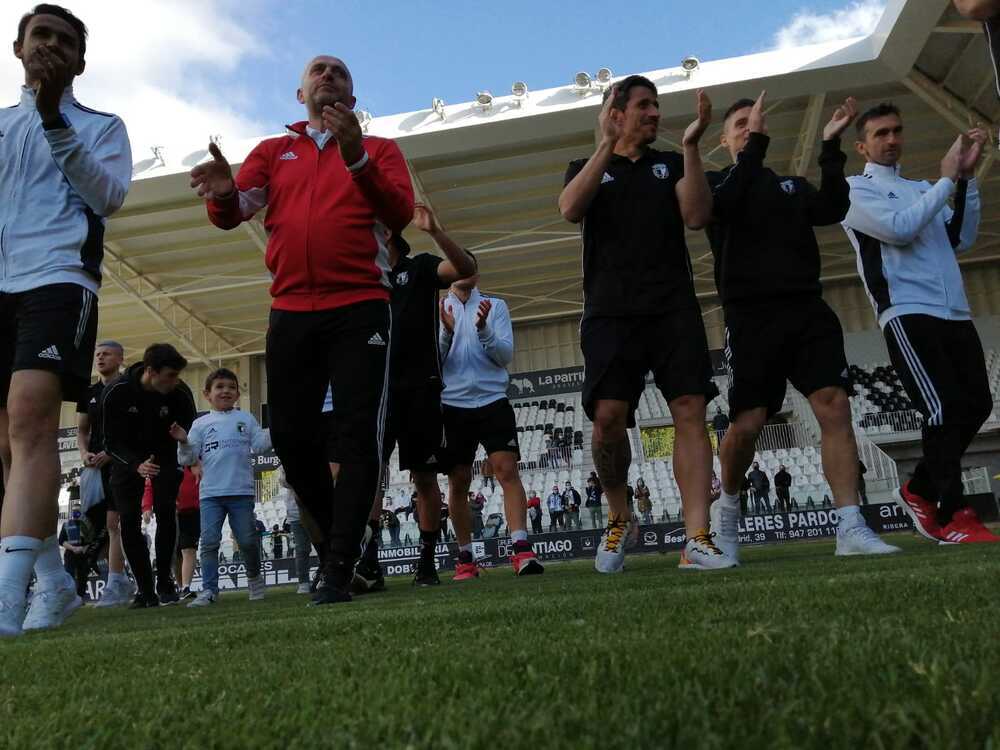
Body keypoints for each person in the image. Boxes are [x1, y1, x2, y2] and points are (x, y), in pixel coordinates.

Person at [192, 55, 413, 606]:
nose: (329, 75)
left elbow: (400, 212)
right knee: (291, 437)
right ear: (299, 95)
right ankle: (348, 538)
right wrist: (222, 190)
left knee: (361, 435)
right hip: (291, 307)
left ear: (354, 97)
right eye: (318, 70)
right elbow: (233, 211)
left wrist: (356, 153)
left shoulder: (380, 149)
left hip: (361, 303)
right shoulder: (273, 152)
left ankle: (338, 565)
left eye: (340, 71)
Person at [706, 92, 899, 560]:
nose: (749, 130)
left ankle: (850, 524)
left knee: (834, 407)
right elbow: (723, 203)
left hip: (807, 309)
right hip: (751, 315)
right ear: (725, 138)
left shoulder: (789, 187)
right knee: (748, 421)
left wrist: (831, 147)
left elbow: (832, 208)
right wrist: (755, 145)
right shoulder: (715, 184)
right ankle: (727, 512)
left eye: (754, 123)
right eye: (740, 126)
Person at [559, 76, 731, 574]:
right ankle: (618, 513)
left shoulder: (673, 163)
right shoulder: (587, 167)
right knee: (608, 418)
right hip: (609, 312)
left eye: (656, 104)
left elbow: (697, 216)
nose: (655, 112)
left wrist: (693, 148)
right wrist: (606, 145)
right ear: (615, 111)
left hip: (673, 307)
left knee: (690, 409)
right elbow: (570, 209)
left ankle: (697, 536)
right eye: (644, 105)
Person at [0, 4, 132, 638]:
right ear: (18, 48)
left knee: (29, 418)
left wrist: (54, 117)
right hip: (0, 284)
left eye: (63, 40)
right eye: (39, 35)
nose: (49, 45)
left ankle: (6, 601)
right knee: (5, 443)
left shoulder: (102, 126)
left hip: (59, 278)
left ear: (80, 60)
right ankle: (52, 582)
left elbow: (107, 196)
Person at [842, 103, 998, 544]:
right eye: (881, 134)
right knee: (942, 408)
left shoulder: (922, 187)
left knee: (977, 407)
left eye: (897, 131)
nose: (891, 140)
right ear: (862, 145)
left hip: (954, 310)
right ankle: (952, 514)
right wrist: (947, 179)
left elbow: (959, 238)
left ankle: (919, 489)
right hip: (906, 310)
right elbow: (899, 230)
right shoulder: (855, 189)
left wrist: (964, 181)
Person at [347, 203, 477, 592]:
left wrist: (436, 231)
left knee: (423, 477)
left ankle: (426, 562)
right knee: (371, 476)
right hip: (376, 392)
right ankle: (368, 563)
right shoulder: (363, 279)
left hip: (420, 388)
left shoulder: (418, 267)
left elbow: (465, 268)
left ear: (385, 234)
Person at [439, 276, 543, 579]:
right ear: (449, 277)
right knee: (458, 480)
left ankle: (521, 548)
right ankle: (465, 556)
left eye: (467, 267)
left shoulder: (495, 306)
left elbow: (504, 356)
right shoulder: (438, 308)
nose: (462, 274)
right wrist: (446, 331)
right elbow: (433, 361)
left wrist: (483, 329)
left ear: (474, 274)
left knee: (507, 470)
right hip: (452, 404)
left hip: (493, 399)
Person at [102, 344, 196, 608]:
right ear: (150, 371)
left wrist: (184, 436)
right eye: (170, 375)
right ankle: (145, 590)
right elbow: (109, 443)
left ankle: (165, 584)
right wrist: (135, 465)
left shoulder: (179, 393)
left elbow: (192, 428)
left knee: (166, 513)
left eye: (177, 375)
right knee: (129, 521)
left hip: (165, 456)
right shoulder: (118, 392)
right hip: (127, 460)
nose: (174, 381)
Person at [173, 368, 272, 607]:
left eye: (231, 387)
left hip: (242, 492)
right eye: (219, 387)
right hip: (210, 495)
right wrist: (184, 441)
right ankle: (209, 590)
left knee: (247, 541)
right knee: (208, 542)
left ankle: (254, 578)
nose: (225, 391)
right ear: (207, 394)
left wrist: (277, 424)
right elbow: (186, 460)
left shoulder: (246, 419)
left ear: (238, 393)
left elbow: (260, 446)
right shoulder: (200, 423)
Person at [78, 341, 134, 608]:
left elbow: (134, 430)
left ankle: (118, 581)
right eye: (97, 354)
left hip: (121, 463)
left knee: (117, 524)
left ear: (120, 358)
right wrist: (84, 453)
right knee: (103, 526)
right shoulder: (88, 392)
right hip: (95, 467)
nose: (100, 357)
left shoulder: (127, 389)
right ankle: (112, 581)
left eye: (106, 353)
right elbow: (82, 430)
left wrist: (112, 453)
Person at [279, 467, 314, 595]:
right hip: (295, 511)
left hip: (317, 509)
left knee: (324, 545)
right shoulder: (287, 458)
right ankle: (303, 582)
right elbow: (283, 481)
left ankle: (326, 577)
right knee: (302, 548)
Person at [172, 465, 200, 600]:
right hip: (173, 512)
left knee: (188, 549)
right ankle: (182, 586)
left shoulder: (195, 460)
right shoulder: (168, 460)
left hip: (192, 511)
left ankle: (185, 587)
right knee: (176, 553)